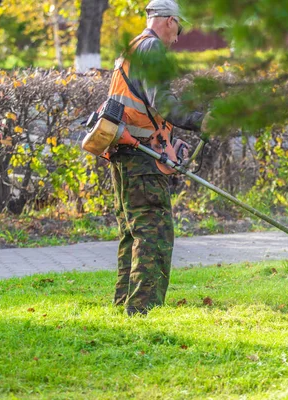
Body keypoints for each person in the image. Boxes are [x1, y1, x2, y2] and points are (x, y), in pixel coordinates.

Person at [107, 0, 205, 316]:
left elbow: (142, 108)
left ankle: (125, 302)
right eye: (179, 28)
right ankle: (142, 309)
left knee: (132, 231)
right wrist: (200, 120)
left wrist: (171, 141)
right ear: (168, 21)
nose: (178, 38)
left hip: (125, 151)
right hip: (139, 158)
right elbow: (164, 102)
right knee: (154, 230)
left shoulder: (134, 47)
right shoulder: (152, 50)